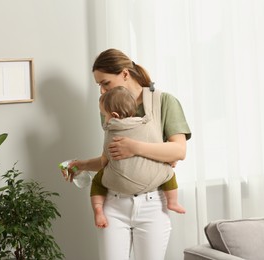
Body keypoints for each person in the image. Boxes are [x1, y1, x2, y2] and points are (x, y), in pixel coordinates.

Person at [64, 48, 191, 260]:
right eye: (99, 86)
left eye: (106, 83)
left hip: (153, 203)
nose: (103, 91)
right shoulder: (107, 108)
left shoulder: (164, 102)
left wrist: (135, 147)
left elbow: (179, 150)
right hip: (113, 204)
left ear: (124, 74)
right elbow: (111, 159)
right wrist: (81, 165)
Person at [90, 85, 185, 229]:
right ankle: (173, 201)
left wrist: (80, 165)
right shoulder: (145, 124)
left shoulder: (111, 132)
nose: (105, 120)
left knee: (97, 181)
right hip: (151, 188)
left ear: (114, 115)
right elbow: (162, 151)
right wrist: (169, 159)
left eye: (105, 115)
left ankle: (98, 209)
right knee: (169, 173)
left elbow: (104, 160)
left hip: (119, 192)